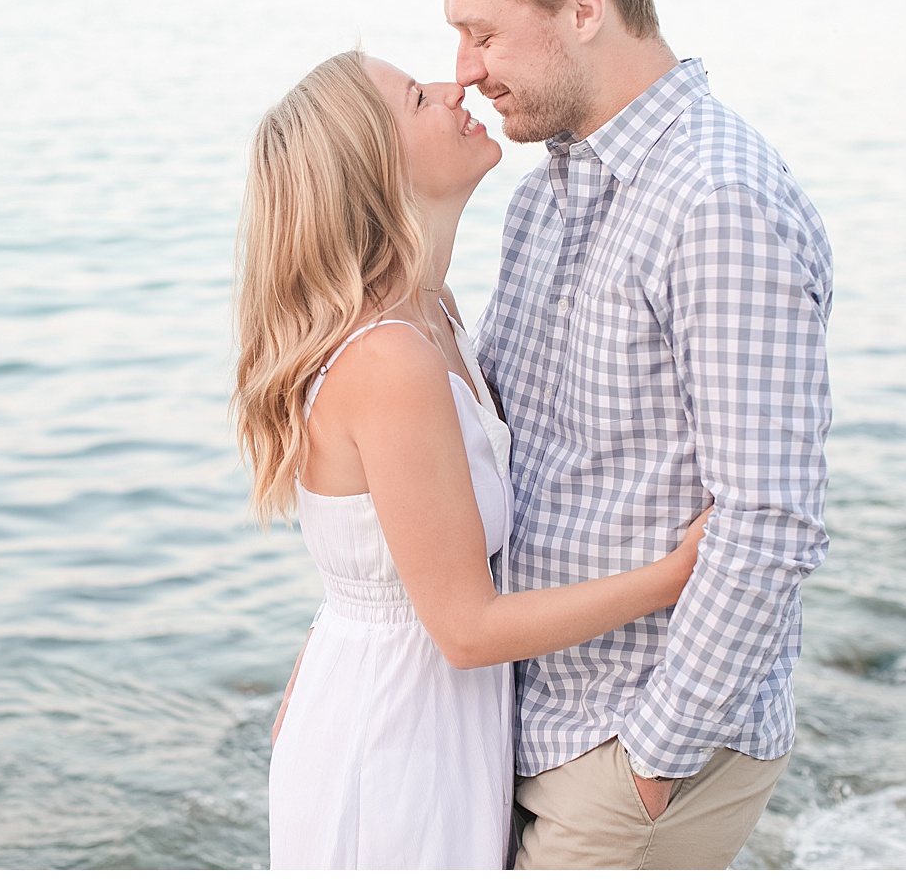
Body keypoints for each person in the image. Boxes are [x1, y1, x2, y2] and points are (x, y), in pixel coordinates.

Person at [427, 0, 834, 869]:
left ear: (582, 8)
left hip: (635, 743)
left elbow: (769, 516)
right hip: (525, 716)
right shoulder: (540, 198)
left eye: (482, 32)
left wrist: (655, 756)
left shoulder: (715, 200)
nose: (465, 69)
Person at [233, 50, 711, 869]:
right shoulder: (389, 360)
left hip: (428, 714)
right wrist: (674, 576)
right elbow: (464, 626)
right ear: (378, 172)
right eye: (420, 97)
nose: (455, 87)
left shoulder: (433, 311)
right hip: (394, 739)